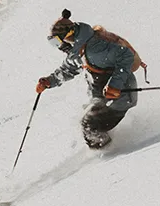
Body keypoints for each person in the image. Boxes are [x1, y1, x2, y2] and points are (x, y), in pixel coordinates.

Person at [35, 9, 147, 148]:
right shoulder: (80, 50)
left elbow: (126, 56)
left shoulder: (94, 48)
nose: (59, 47)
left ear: (68, 34)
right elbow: (68, 69)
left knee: (88, 124)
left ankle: (109, 154)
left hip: (121, 95)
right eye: (54, 44)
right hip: (104, 96)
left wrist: (115, 85)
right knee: (86, 116)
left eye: (57, 42)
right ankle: (105, 147)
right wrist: (49, 81)